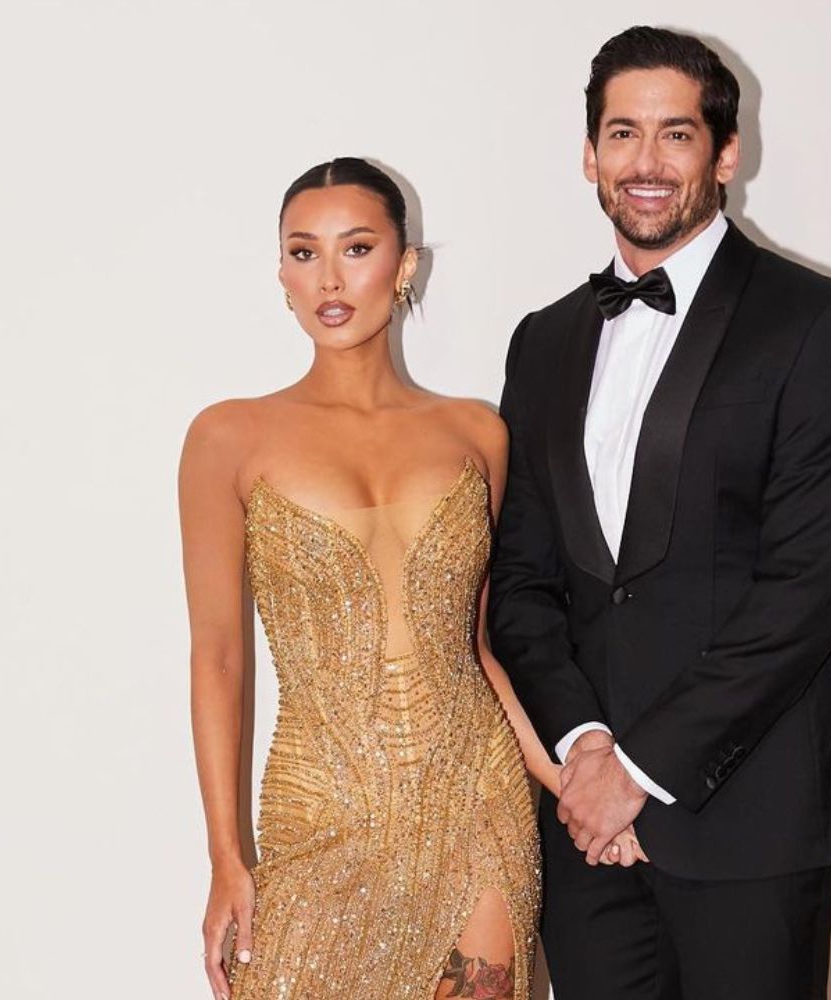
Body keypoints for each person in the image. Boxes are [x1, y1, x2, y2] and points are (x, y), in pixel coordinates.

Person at [488, 27, 831, 998]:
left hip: (751, 807)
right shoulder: (541, 342)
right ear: (589, 153)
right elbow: (523, 579)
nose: (646, 161)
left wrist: (641, 766)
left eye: (676, 135)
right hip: (583, 819)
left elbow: (804, 590)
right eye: (623, 133)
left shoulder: (823, 324)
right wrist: (586, 753)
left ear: (726, 154)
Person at [177, 157, 643, 1000]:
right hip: (318, 806)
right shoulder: (227, 438)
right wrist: (224, 856)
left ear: (406, 264)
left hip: (476, 803)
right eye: (303, 252)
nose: (329, 277)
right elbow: (217, 660)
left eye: (356, 248)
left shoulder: (476, 433)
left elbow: (479, 649)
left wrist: (575, 786)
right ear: (279, 272)